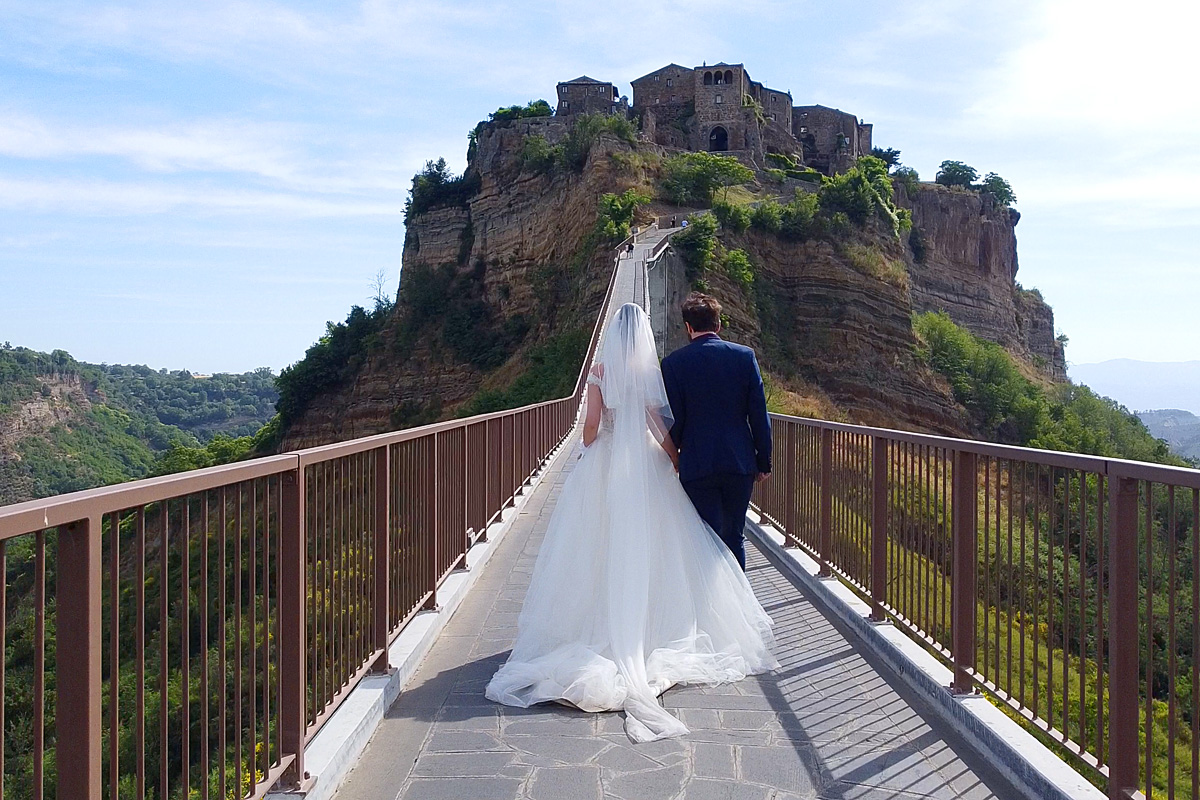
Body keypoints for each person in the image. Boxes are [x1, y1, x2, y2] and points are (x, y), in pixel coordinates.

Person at [486, 304, 777, 742]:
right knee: (670, 543)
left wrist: (602, 432)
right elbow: (659, 426)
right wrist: (676, 459)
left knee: (597, 544)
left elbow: (587, 433)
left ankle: (601, 626)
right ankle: (681, 619)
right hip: (650, 466)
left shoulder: (601, 370)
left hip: (604, 469)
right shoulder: (648, 371)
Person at [660, 293, 772, 570]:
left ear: (688, 327)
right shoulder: (744, 357)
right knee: (734, 535)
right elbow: (758, 413)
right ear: (718, 325)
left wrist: (675, 457)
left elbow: (674, 420)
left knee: (705, 537)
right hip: (739, 462)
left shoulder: (674, 364)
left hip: (697, 464)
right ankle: (740, 607)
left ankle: (711, 606)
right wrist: (763, 461)